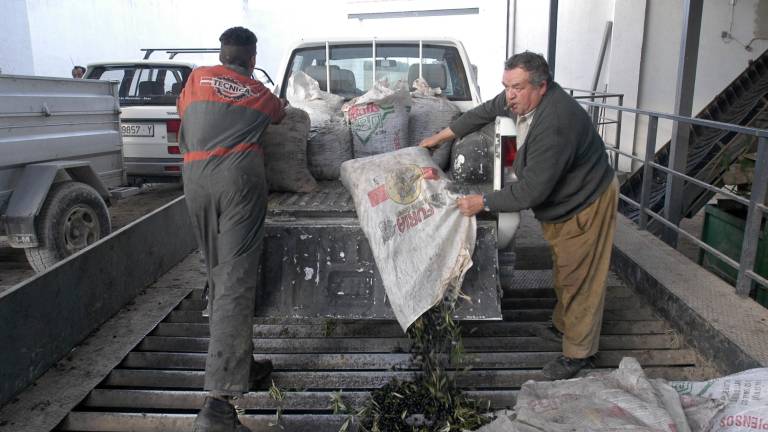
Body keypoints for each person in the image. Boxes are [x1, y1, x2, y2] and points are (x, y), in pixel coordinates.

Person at [420, 51, 618, 381]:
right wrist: (441, 137)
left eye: (517, 88)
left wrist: (481, 201)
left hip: (586, 200)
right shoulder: (519, 99)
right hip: (563, 201)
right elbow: (483, 112)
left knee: (580, 278)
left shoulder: (555, 124)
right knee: (565, 267)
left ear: (542, 86)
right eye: (506, 86)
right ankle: (562, 326)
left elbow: (529, 193)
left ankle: (578, 354)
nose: (510, 96)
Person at [177, 26, 286, 431]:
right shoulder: (258, 92)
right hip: (237, 182)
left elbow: (187, 115)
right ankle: (218, 405)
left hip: (194, 180)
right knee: (236, 281)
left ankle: (243, 364)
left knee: (217, 277)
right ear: (253, 58)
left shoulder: (195, 79)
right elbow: (281, 114)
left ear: (222, 54)